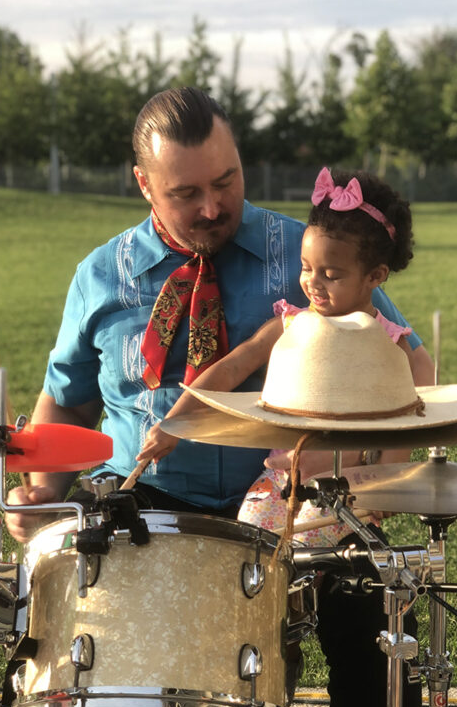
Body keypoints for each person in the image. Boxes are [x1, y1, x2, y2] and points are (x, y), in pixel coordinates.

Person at [5, 87, 435, 707]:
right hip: (144, 510)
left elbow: (403, 379)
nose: (212, 205)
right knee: (61, 646)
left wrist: (365, 475)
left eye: (227, 181)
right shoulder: (101, 276)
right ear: (141, 185)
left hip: (293, 510)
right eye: (185, 192)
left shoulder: (309, 253)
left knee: (373, 631)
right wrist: (31, 494)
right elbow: (64, 401)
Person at [137, 165, 419, 547]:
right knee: (250, 545)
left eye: (331, 274)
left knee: (303, 555)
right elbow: (233, 366)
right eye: (306, 268)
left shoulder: (388, 341)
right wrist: (174, 422)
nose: (313, 284)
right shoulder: (292, 324)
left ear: (375, 276)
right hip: (280, 477)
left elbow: (412, 410)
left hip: (350, 483)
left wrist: (386, 476)